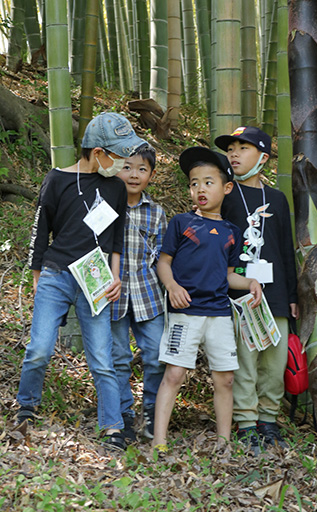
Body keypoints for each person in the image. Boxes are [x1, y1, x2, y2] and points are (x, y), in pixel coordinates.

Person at [16, 112, 147, 450]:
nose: (122, 162)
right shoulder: (57, 179)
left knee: (101, 357)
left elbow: (116, 236)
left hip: (97, 280)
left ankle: (113, 427)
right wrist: (36, 279)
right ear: (98, 151)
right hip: (56, 274)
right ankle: (26, 406)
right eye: (117, 155)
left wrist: (116, 276)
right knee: (39, 348)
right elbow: (40, 232)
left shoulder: (115, 187)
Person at [152, 147, 262, 452]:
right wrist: (172, 286)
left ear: (227, 188)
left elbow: (229, 275)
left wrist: (251, 281)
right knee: (174, 374)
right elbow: (163, 262)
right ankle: (159, 441)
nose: (200, 188)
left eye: (208, 182)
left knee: (225, 379)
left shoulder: (231, 231)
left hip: (219, 313)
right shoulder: (181, 223)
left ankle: (225, 441)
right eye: (194, 183)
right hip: (185, 311)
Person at [214, 126, 299, 454]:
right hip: (239, 292)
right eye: (231, 148)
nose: (234, 154)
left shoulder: (276, 198)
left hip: (274, 293)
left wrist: (292, 296)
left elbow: (285, 250)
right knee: (245, 361)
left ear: (263, 158)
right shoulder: (226, 193)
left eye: (243, 148)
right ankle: (247, 421)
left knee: (274, 363)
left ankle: (269, 419)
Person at [111, 144, 167, 442]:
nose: (134, 175)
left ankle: (150, 411)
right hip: (114, 296)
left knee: (157, 354)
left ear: (151, 175)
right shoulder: (104, 206)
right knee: (119, 357)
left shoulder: (156, 213)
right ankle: (124, 413)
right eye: (127, 167)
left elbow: (162, 257)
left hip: (148, 296)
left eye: (142, 169)